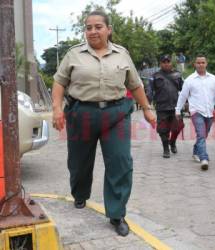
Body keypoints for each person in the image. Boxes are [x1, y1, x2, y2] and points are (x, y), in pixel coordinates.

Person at [51, 10, 155, 237]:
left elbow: (135, 84)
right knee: (79, 162)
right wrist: (57, 109)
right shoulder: (74, 54)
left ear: (109, 29)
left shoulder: (122, 55)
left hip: (116, 114)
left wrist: (147, 109)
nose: (93, 31)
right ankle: (80, 193)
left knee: (120, 162)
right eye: (89, 27)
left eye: (98, 26)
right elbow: (59, 82)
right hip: (81, 114)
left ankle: (117, 213)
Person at [175, 55, 215, 170]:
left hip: (209, 112)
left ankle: (196, 152)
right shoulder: (190, 80)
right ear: (195, 64)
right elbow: (183, 95)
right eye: (198, 63)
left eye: (203, 62)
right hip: (196, 111)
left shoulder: (214, 79)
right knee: (201, 134)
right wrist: (177, 110)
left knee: (204, 135)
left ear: (206, 64)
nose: (201, 64)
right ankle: (204, 158)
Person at [146, 55, 184, 158]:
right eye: (164, 62)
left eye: (168, 62)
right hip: (161, 107)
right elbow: (149, 91)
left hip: (176, 107)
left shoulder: (177, 75)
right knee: (163, 130)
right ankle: (166, 149)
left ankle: (172, 142)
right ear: (160, 64)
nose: (166, 64)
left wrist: (188, 102)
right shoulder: (154, 76)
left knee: (178, 127)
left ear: (171, 63)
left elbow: (184, 89)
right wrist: (147, 104)